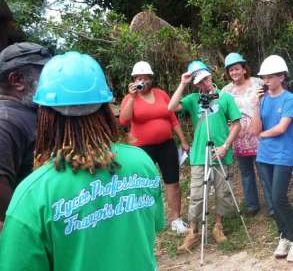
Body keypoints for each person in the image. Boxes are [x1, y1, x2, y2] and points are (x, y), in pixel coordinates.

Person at [0, 51, 164, 271]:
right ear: (106, 107)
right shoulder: (142, 162)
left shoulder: (33, 194)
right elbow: (154, 224)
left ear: (44, 115)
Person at [169, 60, 242, 251]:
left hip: (221, 154)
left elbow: (236, 124)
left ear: (211, 76)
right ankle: (193, 233)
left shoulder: (225, 98)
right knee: (196, 194)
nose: (204, 83)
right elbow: (171, 107)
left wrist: (226, 146)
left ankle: (218, 226)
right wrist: (183, 83)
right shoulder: (193, 99)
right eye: (199, 81)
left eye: (206, 79)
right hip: (200, 155)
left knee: (222, 192)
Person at [119, 61, 190, 235]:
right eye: (137, 78)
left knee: (172, 181)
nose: (141, 80)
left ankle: (175, 219)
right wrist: (132, 97)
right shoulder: (130, 98)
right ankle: (147, 219)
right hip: (142, 148)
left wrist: (183, 140)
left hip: (166, 145)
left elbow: (172, 118)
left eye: (144, 77)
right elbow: (124, 121)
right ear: (134, 79)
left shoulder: (161, 94)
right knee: (144, 184)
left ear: (151, 78)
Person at [251, 55, 293, 262]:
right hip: (264, 155)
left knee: (279, 197)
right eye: (264, 77)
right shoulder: (263, 100)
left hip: (282, 155)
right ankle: (283, 235)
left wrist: (262, 135)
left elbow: (281, 128)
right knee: (273, 200)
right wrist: (256, 104)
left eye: (270, 77)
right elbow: (255, 128)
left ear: (282, 77)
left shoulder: (289, 99)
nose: (266, 81)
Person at [0, 42, 51, 229]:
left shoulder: (28, 111)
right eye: (44, 75)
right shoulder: (5, 121)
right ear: (17, 81)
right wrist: (29, 227)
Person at [221, 52, 272, 216]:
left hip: (258, 134)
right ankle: (252, 205)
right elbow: (223, 112)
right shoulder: (226, 91)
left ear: (244, 69)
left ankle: (273, 205)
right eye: (231, 70)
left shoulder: (257, 83)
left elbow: (269, 101)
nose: (234, 73)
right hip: (239, 137)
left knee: (264, 171)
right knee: (246, 173)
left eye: (237, 69)